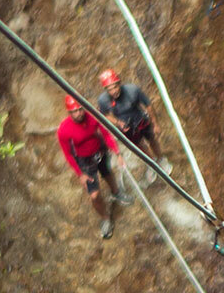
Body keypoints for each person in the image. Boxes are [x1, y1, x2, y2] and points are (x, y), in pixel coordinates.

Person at [54, 95, 123, 237]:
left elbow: (106, 134)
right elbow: (68, 154)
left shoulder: (92, 116)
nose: (79, 113)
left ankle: (116, 193)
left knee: (107, 172)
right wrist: (80, 174)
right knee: (94, 195)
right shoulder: (64, 130)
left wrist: (117, 152)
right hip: (84, 161)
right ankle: (105, 218)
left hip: (99, 151)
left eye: (80, 109)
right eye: (75, 111)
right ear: (69, 112)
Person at [95, 68, 158, 160]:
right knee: (139, 146)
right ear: (106, 90)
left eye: (115, 87)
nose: (114, 91)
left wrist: (155, 124)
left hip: (140, 120)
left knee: (152, 139)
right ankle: (152, 161)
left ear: (119, 84)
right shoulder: (103, 100)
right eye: (110, 89)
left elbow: (148, 105)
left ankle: (160, 158)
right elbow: (104, 114)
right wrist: (118, 122)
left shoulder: (132, 90)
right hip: (126, 127)